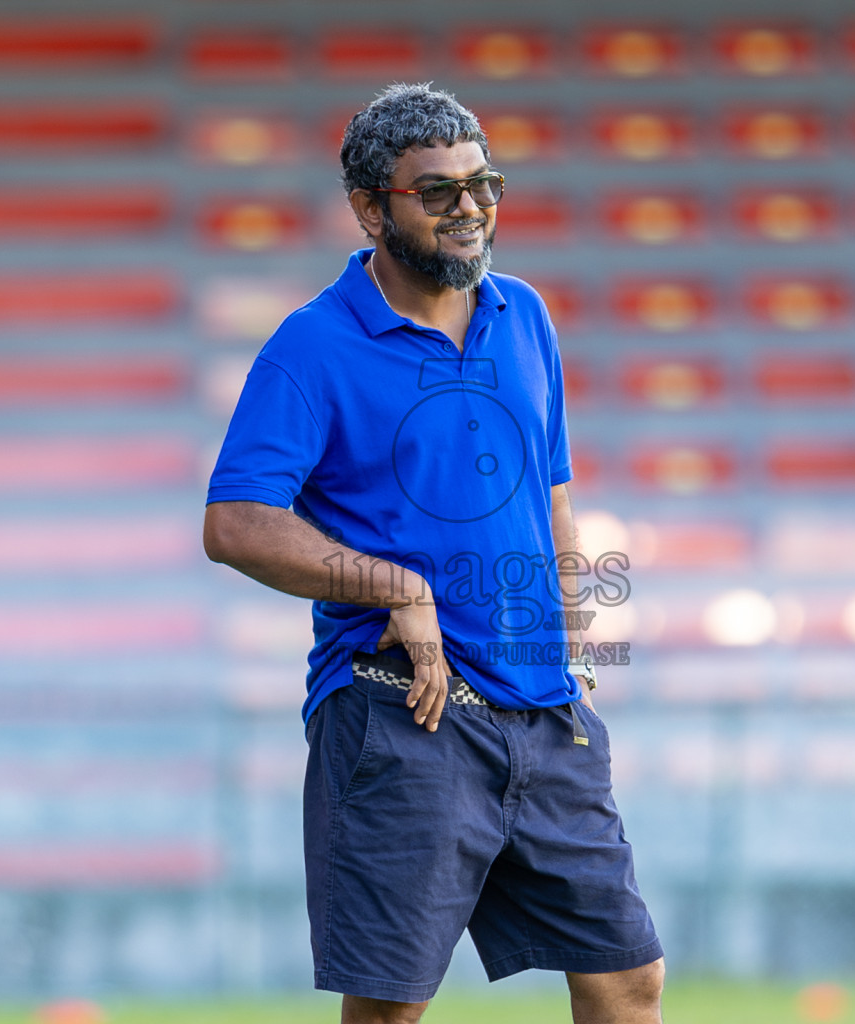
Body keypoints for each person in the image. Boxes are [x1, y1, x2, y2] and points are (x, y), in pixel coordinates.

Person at [203, 83, 664, 1024]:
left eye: (482, 184)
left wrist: (566, 641)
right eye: (438, 192)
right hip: (398, 711)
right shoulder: (312, 346)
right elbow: (237, 521)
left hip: (544, 710)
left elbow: (552, 491)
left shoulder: (522, 314)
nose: (471, 208)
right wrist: (394, 587)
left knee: (627, 980)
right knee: (392, 1007)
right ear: (371, 208)